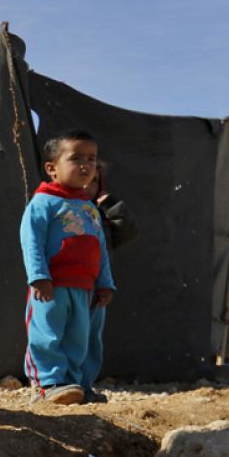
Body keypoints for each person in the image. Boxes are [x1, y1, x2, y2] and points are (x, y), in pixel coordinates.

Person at [21, 129, 115, 405]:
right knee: (48, 334)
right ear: (52, 168)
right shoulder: (43, 203)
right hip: (52, 286)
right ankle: (48, 385)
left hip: (86, 289)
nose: (86, 165)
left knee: (82, 339)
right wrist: (38, 276)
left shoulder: (90, 209)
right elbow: (31, 242)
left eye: (92, 159)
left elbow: (101, 250)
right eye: (76, 158)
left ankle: (79, 386)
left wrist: (106, 282)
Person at [79, 159, 137, 402]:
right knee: (66, 336)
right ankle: (57, 384)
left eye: (92, 182)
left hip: (96, 286)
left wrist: (111, 205)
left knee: (90, 337)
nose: (85, 187)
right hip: (66, 285)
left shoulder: (101, 214)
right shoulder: (56, 208)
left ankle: (84, 385)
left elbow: (127, 231)